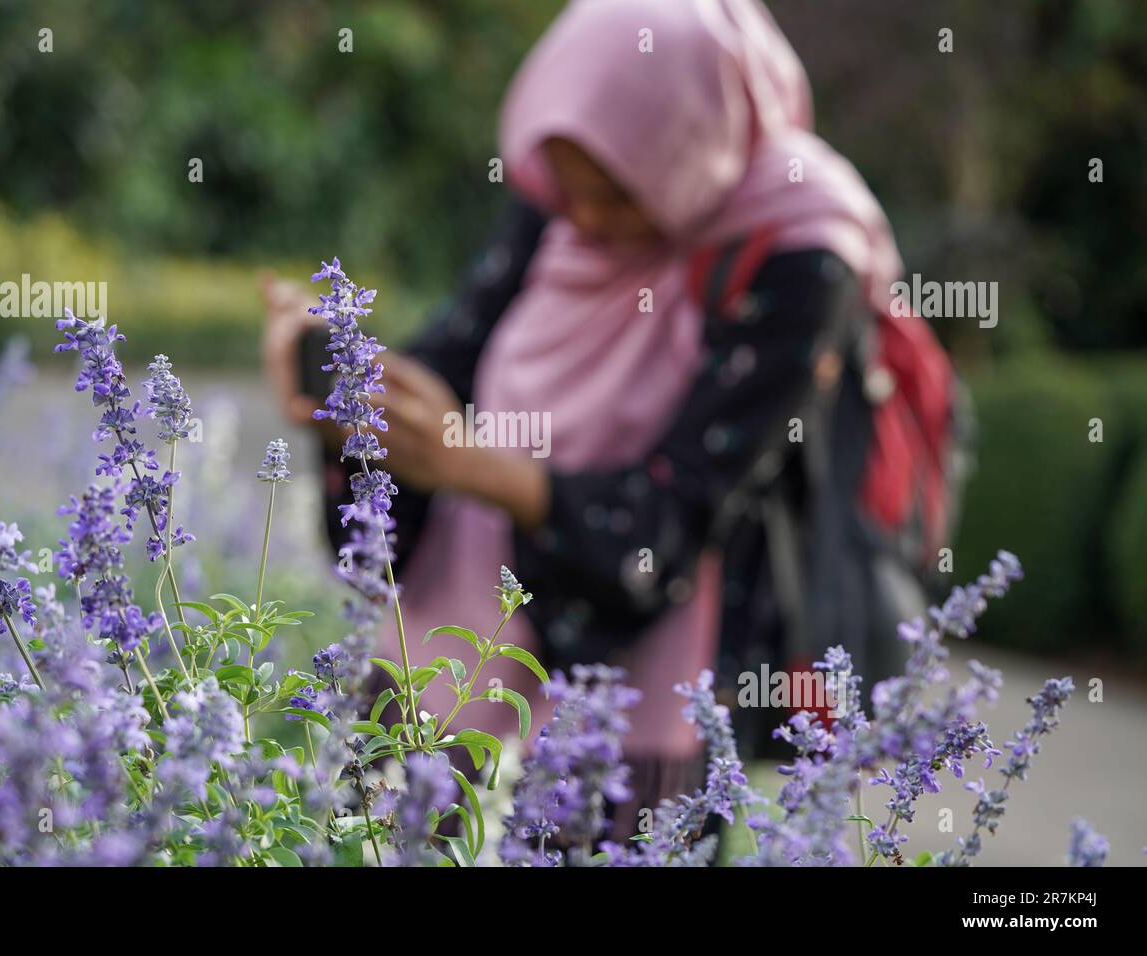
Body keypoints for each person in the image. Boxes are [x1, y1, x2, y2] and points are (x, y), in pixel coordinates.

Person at [262, 0, 956, 836]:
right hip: (465, 613)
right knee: (368, 838)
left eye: (617, 198)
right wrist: (351, 399)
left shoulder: (801, 250)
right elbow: (454, 355)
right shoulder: (566, 189)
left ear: (689, 148)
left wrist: (467, 461)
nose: (585, 221)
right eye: (569, 192)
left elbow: (678, 513)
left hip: (658, 675)